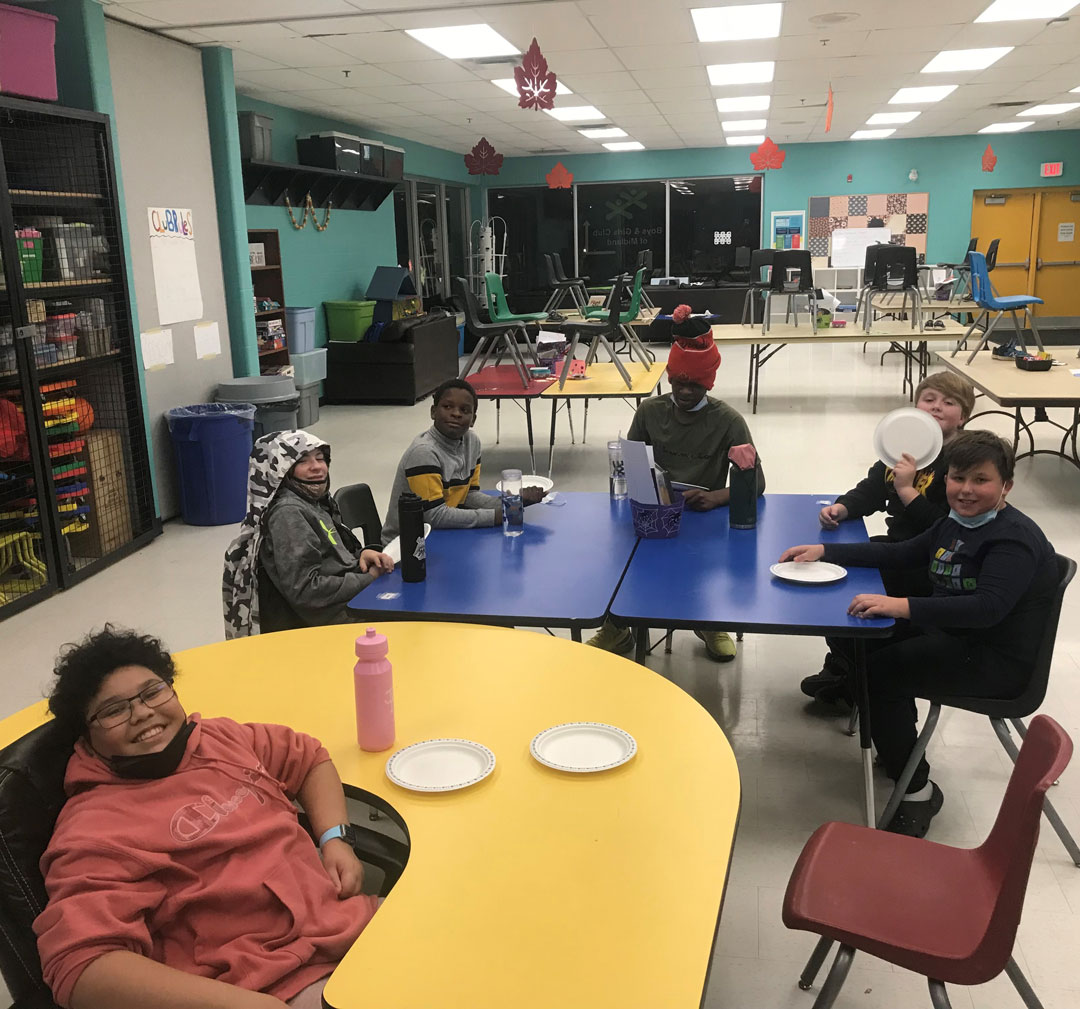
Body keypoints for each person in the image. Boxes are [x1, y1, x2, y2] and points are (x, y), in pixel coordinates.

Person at [34, 626, 379, 1009]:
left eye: (152, 692)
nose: (143, 712)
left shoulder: (218, 738)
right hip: (275, 983)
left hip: (351, 927)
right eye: (114, 710)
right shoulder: (95, 827)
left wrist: (335, 838)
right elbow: (80, 966)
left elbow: (308, 757)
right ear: (86, 736)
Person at [779, 430, 1057, 838]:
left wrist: (902, 605)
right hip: (953, 634)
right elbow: (901, 552)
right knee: (855, 632)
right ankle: (898, 745)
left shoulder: (1013, 538)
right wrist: (825, 551)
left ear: (1006, 487)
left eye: (981, 480)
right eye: (958, 478)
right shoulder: (955, 523)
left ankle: (917, 789)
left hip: (994, 659)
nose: (966, 490)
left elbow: (987, 608)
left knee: (880, 671)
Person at [587, 304, 765, 661]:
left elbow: (755, 483)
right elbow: (634, 463)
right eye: (679, 382)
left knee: (708, 564)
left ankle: (709, 620)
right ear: (670, 379)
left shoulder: (729, 421)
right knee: (625, 560)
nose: (685, 391)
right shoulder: (650, 412)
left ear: (708, 383)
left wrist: (717, 497)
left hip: (703, 514)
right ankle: (618, 627)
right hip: (656, 509)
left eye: (695, 385)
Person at [803, 372, 976, 705]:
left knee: (850, 593)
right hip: (896, 547)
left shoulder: (962, 461)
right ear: (916, 405)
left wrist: (907, 490)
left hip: (931, 563)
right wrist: (843, 507)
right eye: (929, 399)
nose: (937, 407)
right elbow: (870, 489)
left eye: (949, 402)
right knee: (833, 580)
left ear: (963, 416)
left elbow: (946, 530)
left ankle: (857, 674)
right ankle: (845, 664)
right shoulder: (903, 447)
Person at [222, 430, 393, 638]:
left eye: (321, 458)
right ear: (282, 472)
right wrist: (368, 578)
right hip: (335, 619)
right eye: (302, 461)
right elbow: (306, 590)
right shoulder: (289, 514)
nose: (317, 467)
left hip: (347, 601)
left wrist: (360, 558)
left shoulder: (314, 504)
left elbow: (332, 558)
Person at [381, 378, 544, 541]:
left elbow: (469, 496)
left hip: (443, 536)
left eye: (465, 410)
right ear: (433, 411)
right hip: (405, 548)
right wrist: (496, 516)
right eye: (447, 407)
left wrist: (511, 502)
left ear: (473, 419)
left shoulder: (472, 443)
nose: (456, 414)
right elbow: (434, 515)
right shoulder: (423, 452)